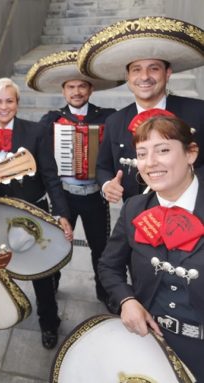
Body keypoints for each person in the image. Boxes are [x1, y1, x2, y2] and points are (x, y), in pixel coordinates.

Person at [98, 115, 204, 380]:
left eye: (164, 150)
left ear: (191, 153)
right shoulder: (134, 207)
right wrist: (127, 300)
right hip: (148, 341)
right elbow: (109, 265)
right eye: (142, 154)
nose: (151, 163)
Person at [27, 50, 119, 312]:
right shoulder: (51, 120)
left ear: (90, 89)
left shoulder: (107, 117)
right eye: (71, 87)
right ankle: (52, 283)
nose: (76, 91)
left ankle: (105, 291)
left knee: (100, 247)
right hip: (63, 195)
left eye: (81, 86)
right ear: (64, 91)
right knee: (57, 244)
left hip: (95, 194)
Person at [0, 77, 73, 349]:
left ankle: (49, 321)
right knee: (0, 267)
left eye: (9, 101)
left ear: (17, 103)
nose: (4, 106)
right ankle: (3, 312)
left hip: (34, 211)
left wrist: (61, 213)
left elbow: (51, 176)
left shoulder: (36, 132)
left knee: (41, 272)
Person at [76, 16, 204, 203]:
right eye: (136, 70)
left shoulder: (199, 112)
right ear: (128, 76)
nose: (144, 77)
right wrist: (106, 186)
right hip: (136, 217)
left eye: (153, 69)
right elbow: (102, 167)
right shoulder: (115, 121)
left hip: (192, 214)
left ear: (167, 74)